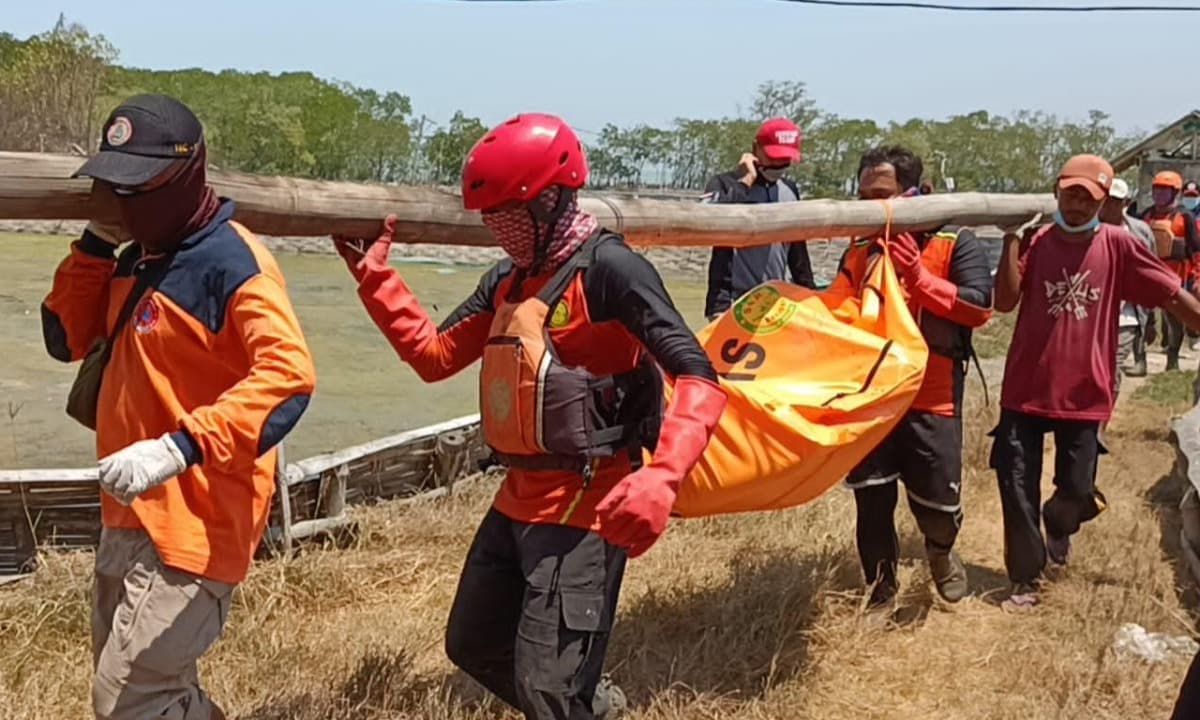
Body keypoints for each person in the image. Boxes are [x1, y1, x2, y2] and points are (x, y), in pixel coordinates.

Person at [333, 112, 726, 720]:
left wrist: (664, 474)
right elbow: (436, 357)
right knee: (473, 644)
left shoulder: (611, 271)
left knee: (547, 686)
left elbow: (699, 374)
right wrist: (375, 279)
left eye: (506, 218)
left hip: (589, 500)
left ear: (550, 201)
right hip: (518, 495)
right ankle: (589, 707)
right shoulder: (506, 282)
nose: (497, 231)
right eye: (489, 219)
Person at [41, 94, 316, 719]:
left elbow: (289, 377)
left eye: (138, 189)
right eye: (117, 187)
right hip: (128, 512)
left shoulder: (232, 262)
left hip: (197, 518)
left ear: (187, 176)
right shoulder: (138, 255)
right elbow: (65, 339)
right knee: (139, 693)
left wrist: (179, 446)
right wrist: (94, 244)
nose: (127, 202)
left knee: (127, 700)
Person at [992, 154, 1200, 610]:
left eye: (1089, 198)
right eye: (1071, 194)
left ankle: (1059, 522)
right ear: (1056, 192)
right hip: (1026, 387)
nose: (1078, 205)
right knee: (1015, 480)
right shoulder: (1037, 240)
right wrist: (1011, 239)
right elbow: (1004, 302)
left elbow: (1168, 292)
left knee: (1078, 490)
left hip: (1086, 391)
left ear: (1104, 201)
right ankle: (1026, 579)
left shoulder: (1118, 245)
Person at [832, 146, 993, 607]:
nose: (870, 207)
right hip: (872, 396)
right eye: (864, 196)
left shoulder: (955, 241)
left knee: (938, 508)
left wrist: (918, 277)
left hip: (933, 396)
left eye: (882, 195)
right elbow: (839, 306)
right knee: (872, 499)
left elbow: (981, 307)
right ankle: (880, 591)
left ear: (917, 194)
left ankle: (941, 553)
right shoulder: (860, 247)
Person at [702, 117, 815, 319]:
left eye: (785, 159)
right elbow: (705, 221)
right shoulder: (724, 183)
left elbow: (798, 253)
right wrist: (745, 182)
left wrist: (810, 296)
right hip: (730, 302)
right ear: (756, 149)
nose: (779, 165)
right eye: (774, 158)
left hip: (777, 303)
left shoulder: (789, 190)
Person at [1140, 171, 1199, 369]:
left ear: (1175, 193)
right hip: (1147, 274)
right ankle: (1139, 358)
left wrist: (1196, 276)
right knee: (1140, 317)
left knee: (1175, 320)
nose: (1159, 196)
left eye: (1164, 192)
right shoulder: (1145, 216)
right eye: (1157, 191)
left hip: (1174, 276)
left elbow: (1196, 250)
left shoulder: (1185, 217)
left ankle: (1172, 359)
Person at [1100, 178, 1156, 381]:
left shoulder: (1140, 233)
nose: (1110, 205)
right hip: (1094, 313)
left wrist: (1150, 321)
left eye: (1116, 201)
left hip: (1127, 315)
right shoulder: (1087, 232)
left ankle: (1104, 410)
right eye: (1106, 200)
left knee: (1112, 367)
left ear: (1126, 202)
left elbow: (1151, 276)